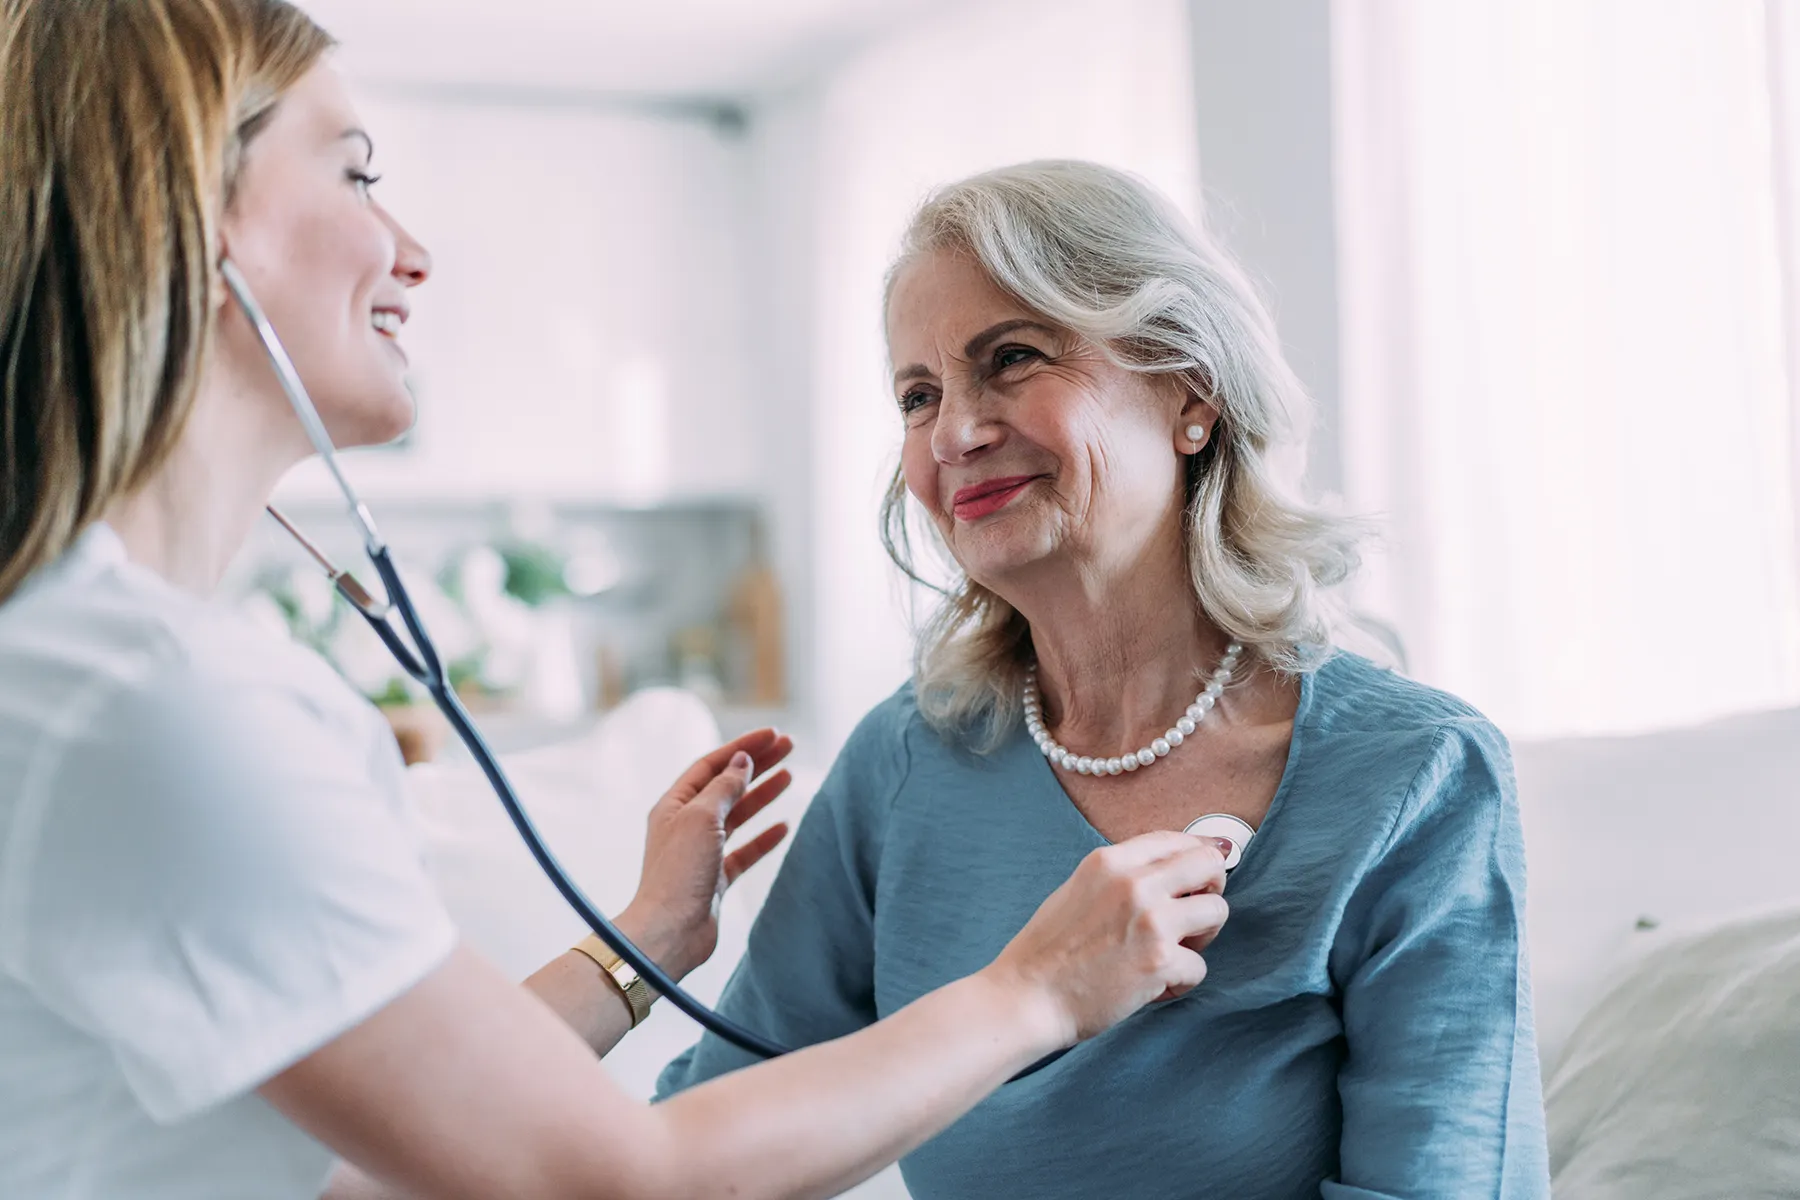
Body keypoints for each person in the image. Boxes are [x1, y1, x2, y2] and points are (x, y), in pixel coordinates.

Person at [0, 6, 1239, 1198]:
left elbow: (373, 1160)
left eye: (1012, 359)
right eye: (356, 176)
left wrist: (646, 941)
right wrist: (1035, 992)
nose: (412, 251)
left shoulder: (93, 671)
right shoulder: (148, 708)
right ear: (191, 215)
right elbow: (614, 1179)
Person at [658, 160, 1553, 1198]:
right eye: (919, 396)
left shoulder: (1417, 773)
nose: (956, 431)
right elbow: (691, 1153)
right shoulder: (903, 766)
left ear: (1190, 393)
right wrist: (641, 945)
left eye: (1013, 358)